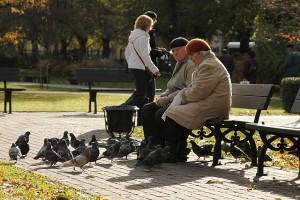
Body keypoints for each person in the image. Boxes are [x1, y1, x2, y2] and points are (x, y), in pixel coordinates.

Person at [163, 38, 232, 163]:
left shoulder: (208, 65)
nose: (190, 58)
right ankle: (177, 151)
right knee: (174, 112)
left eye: (191, 54)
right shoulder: (205, 63)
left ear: (200, 53)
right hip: (209, 102)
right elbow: (196, 90)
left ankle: (174, 152)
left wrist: (182, 96)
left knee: (172, 113)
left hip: (213, 106)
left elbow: (198, 92)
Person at [142, 37, 196, 146]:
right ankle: (152, 144)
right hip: (173, 99)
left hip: (182, 101)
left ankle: (164, 146)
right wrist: (163, 96)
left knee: (160, 114)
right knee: (147, 108)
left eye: (178, 50)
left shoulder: (190, 64)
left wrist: (166, 99)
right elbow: (172, 87)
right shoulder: (179, 63)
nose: (175, 53)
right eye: (173, 51)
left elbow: (187, 89)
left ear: (187, 49)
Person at [124, 15, 161, 125]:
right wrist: (154, 69)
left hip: (134, 68)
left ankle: (137, 119)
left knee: (140, 94)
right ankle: (122, 110)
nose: (151, 27)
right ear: (147, 25)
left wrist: (131, 63)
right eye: (150, 25)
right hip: (139, 68)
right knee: (141, 95)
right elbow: (146, 56)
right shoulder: (144, 37)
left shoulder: (133, 36)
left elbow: (127, 53)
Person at [144, 11, 167, 102]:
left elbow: (151, 48)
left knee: (149, 93)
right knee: (147, 93)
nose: (154, 22)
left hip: (151, 64)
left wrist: (158, 49)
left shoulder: (152, 32)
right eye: (153, 20)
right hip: (146, 66)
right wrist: (158, 52)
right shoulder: (145, 33)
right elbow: (146, 53)